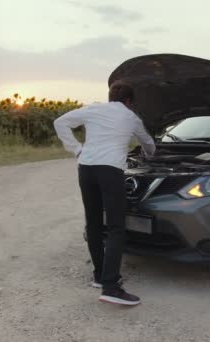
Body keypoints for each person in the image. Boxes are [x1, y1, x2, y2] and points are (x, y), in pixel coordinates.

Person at [53, 81, 155, 306]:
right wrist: (151, 154)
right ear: (129, 102)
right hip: (110, 171)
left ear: (110, 97)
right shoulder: (131, 117)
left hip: (86, 169)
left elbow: (59, 122)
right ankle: (111, 287)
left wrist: (77, 149)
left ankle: (100, 276)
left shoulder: (93, 109)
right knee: (117, 227)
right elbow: (147, 143)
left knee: (94, 223)